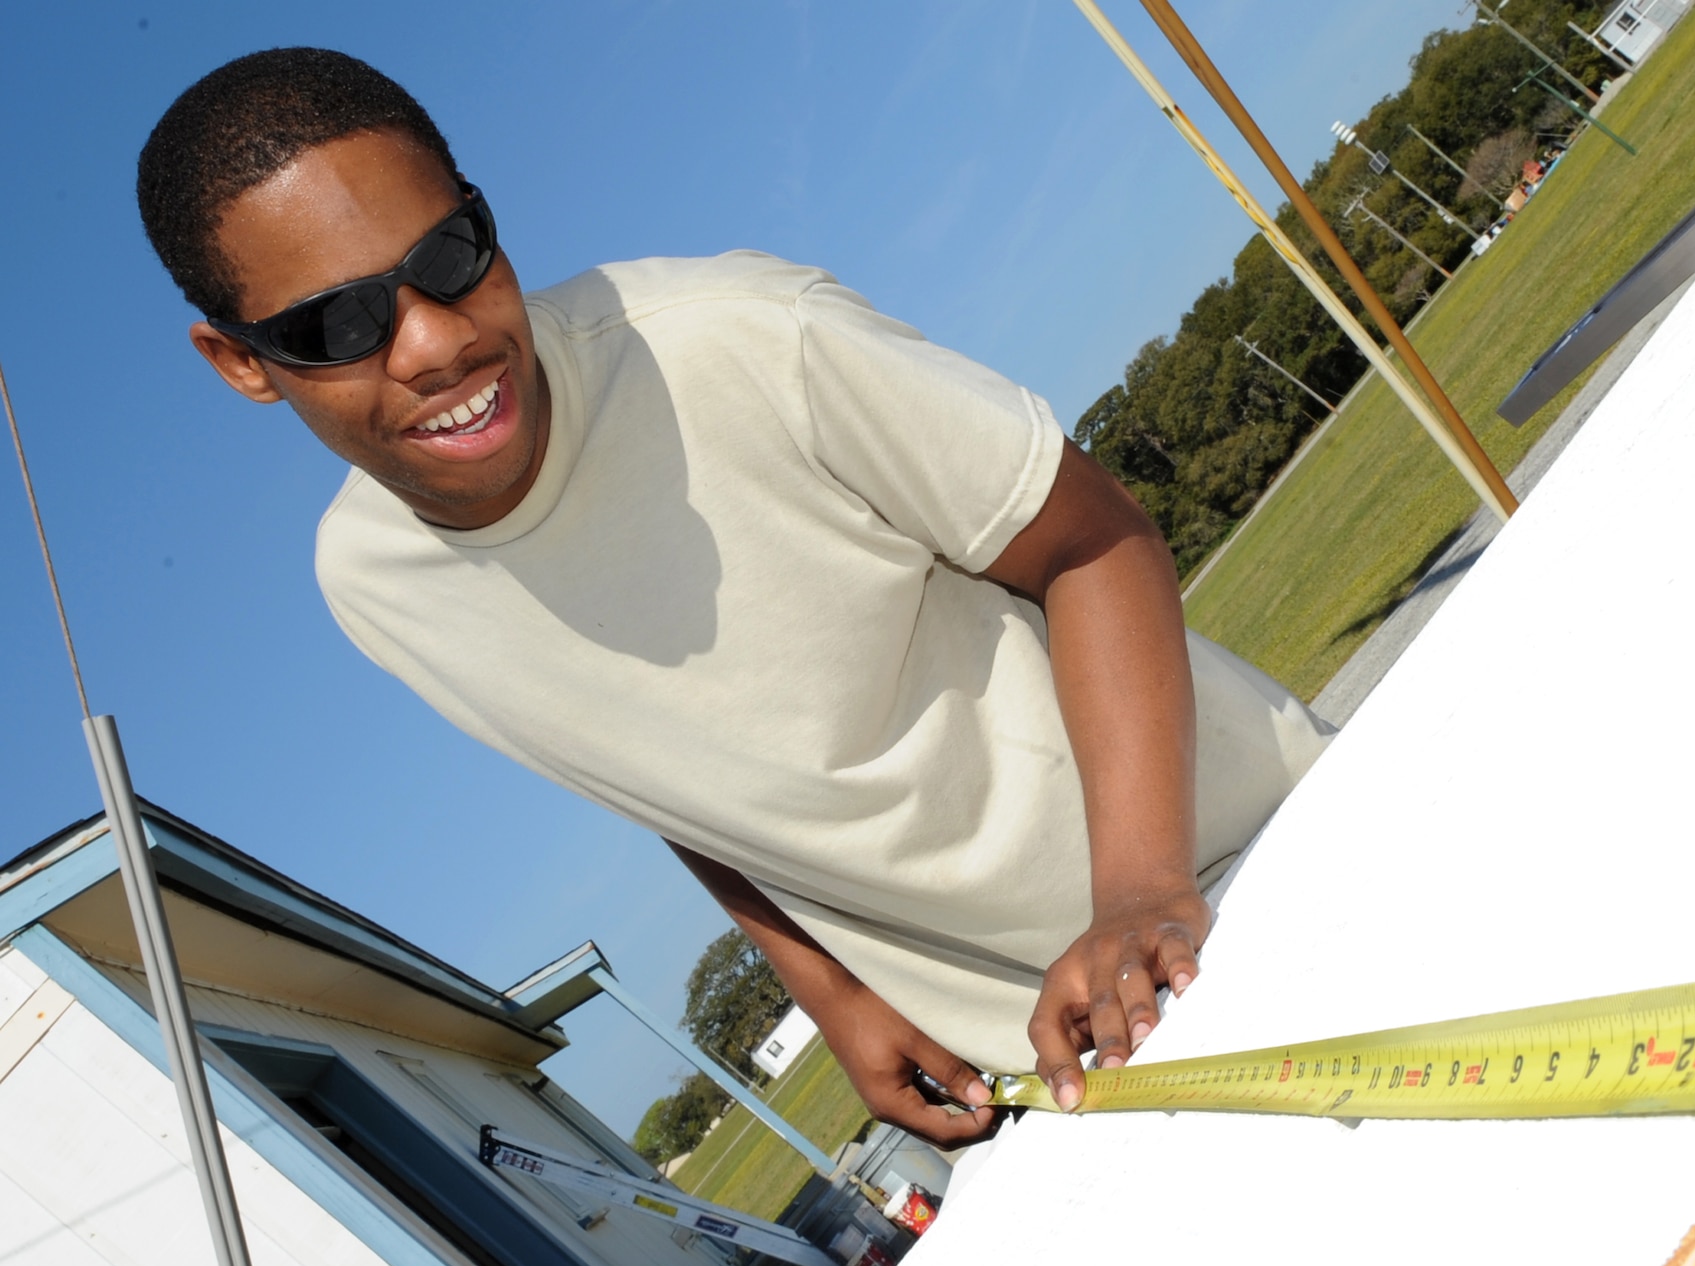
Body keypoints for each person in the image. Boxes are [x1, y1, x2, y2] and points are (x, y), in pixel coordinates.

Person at [137, 48, 1331, 1148]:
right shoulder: (372, 590)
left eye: (450, 256)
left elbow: (1096, 544)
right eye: (335, 323)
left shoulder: (745, 337)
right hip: (1046, 1051)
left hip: (1250, 863)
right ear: (240, 359)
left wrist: (1137, 890)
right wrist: (836, 994)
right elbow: (674, 779)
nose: (435, 341)